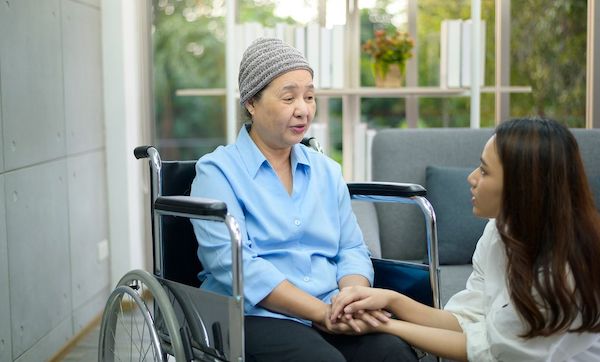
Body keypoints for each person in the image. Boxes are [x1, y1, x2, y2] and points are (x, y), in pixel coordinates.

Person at [190, 37, 417, 362]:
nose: (303, 109)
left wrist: (351, 298)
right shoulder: (217, 172)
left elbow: (350, 248)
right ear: (252, 102)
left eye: (309, 97)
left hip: (332, 306)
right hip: (254, 313)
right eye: (289, 97)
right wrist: (321, 313)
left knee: (394, 353)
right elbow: (236, 265)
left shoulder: (326, 171)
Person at [330, 117, 600, 361]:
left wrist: (382, 324)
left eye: (484, 171)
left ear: (522, 186)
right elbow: (466, 319)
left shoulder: (563, 271)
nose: (471, 178)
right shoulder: (499, 231)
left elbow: (492, 353)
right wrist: (391, 300)